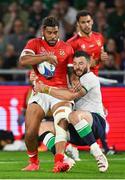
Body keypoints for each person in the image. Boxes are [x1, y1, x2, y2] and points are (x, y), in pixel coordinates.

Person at [34, 51, 109, 172]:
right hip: (78, 130)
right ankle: (64, 158)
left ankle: (98, 154)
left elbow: (70, 96)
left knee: (73, 115)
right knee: (41, 127)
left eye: (81, 63)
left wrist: (46, 89)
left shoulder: (90, 78)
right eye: (75, 64)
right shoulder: (72, 80)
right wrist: (36, 78)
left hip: (96, 124)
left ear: (89, 63)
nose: (77, 67)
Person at [19, 16, 74, 172]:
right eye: (49, 32)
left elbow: (72, 72)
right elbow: (23, 60)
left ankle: (59, 161)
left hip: (60, 91)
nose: (53, 36)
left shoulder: (67, 48)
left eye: (55, 32)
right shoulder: (34, 43)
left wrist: (76, 83)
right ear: (43, 31)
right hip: (40, 91)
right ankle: (34, 162)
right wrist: (46, 56)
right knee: (30, 132)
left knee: (60, 126)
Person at [67, 10, 108, 76]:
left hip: (95, 77)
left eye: (88, 21)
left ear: (92, 21)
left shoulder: (99, 37)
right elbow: (68, 66)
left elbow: (101, 57)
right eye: (83, 22)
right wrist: (85, 64)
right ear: (78, 23)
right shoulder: (71, 43)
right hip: (80, 80)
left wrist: (101, 58)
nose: (86, 25)